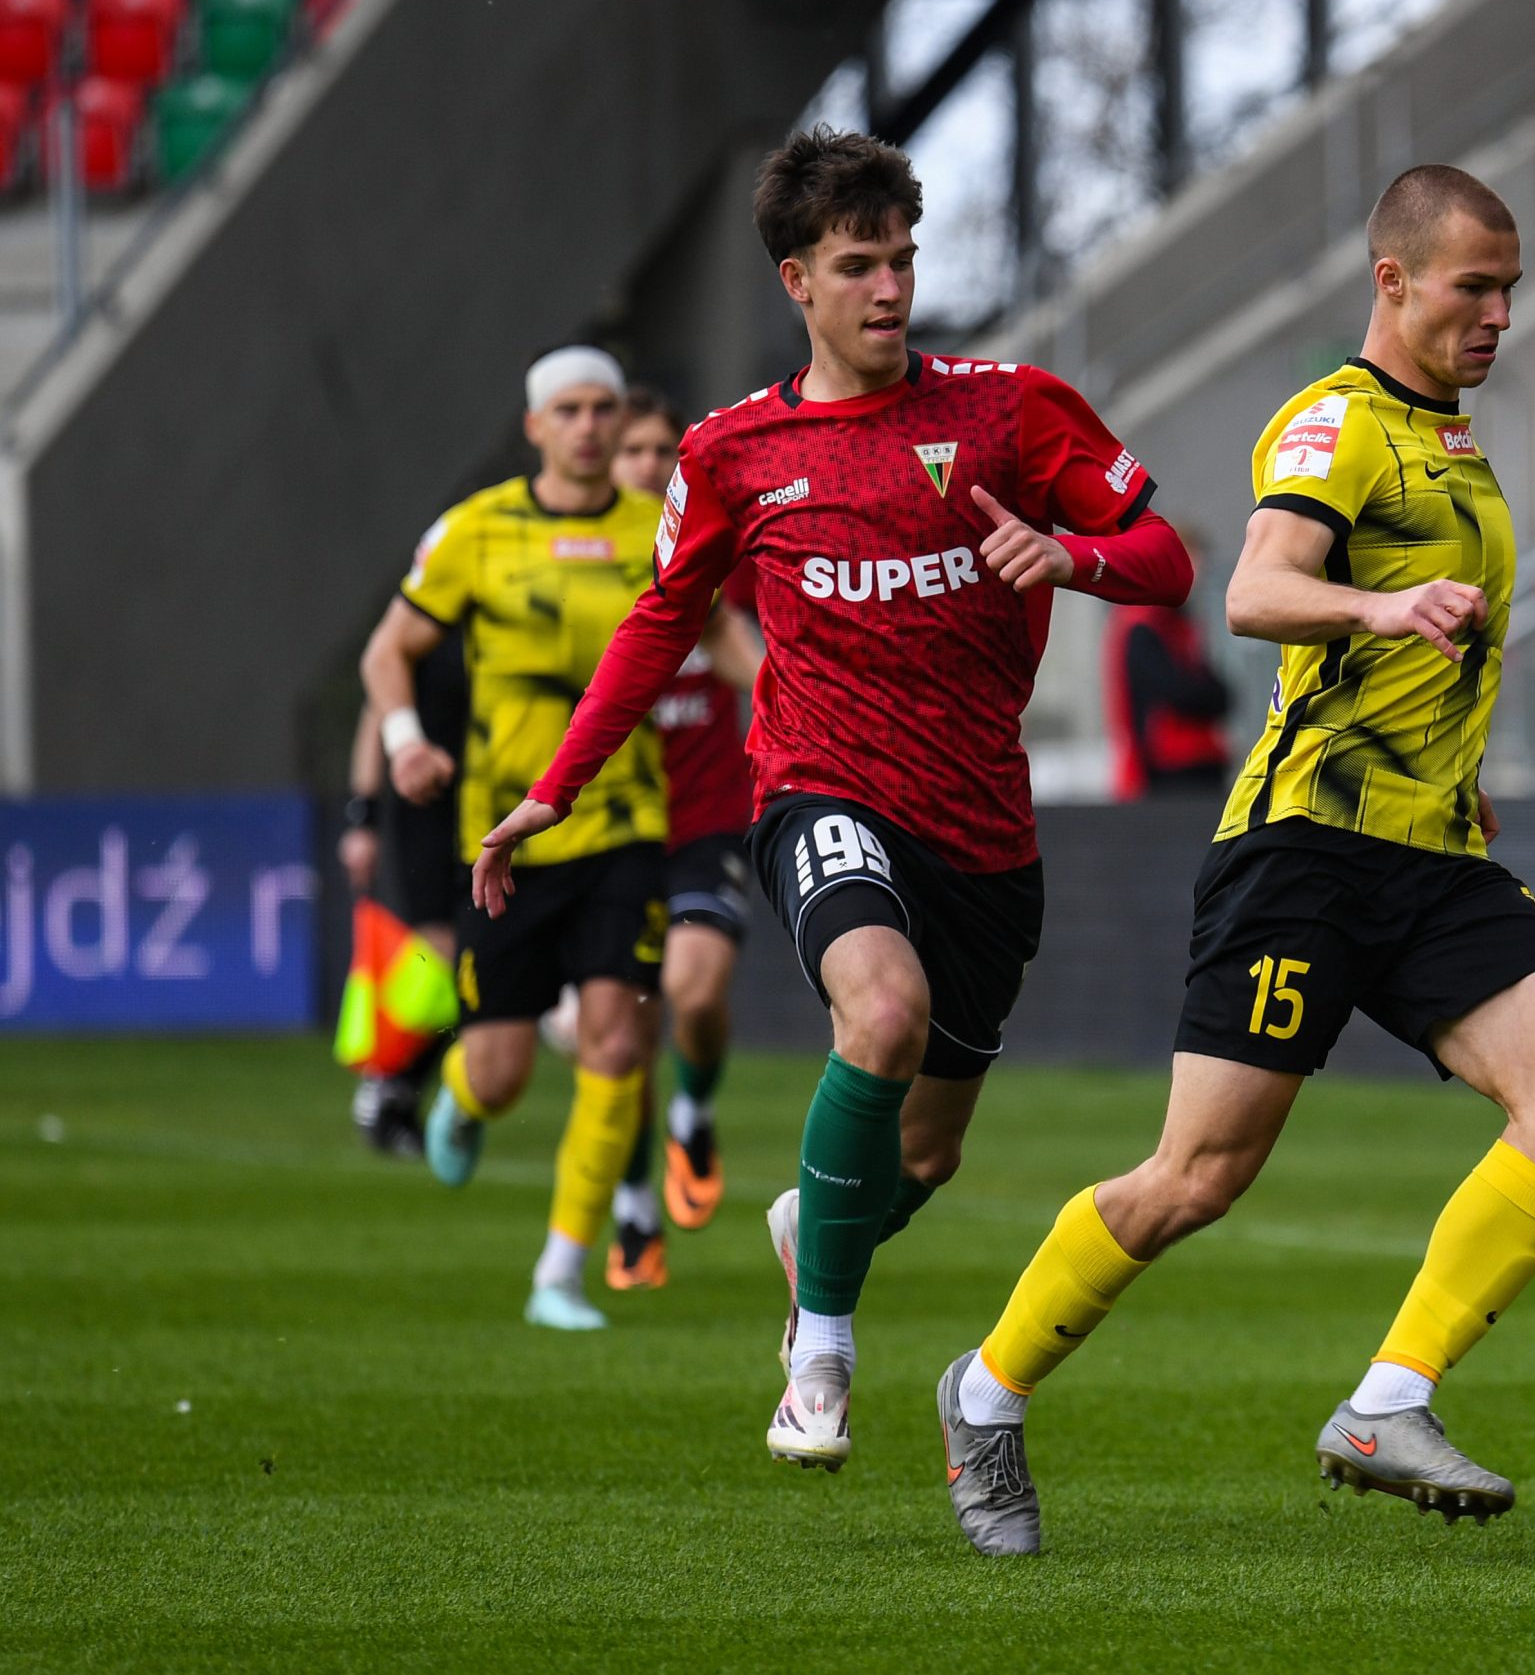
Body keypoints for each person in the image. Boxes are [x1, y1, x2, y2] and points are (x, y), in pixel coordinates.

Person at [470, 129, 1193, 1469]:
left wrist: (1073, 558)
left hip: (983, 825)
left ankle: (819, 1220)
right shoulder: (733, 451)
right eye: (859, 264)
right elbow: (659, 622)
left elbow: (1166, 555)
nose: (891, 286)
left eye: (903, 258)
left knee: (926, 1156)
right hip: (820, 787)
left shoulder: (1011, 409)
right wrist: (553, 792)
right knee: (883, 1011)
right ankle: (821, 1357)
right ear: (795, 279)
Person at [936, 166, 1535, 1557]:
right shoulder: (1337, 422)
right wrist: (1379, 606)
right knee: (1194, 1178)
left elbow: (1433, 657)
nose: (1499, 312)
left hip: (1434, 854)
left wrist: (1458, 771)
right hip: (1303, 850)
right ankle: (987, 1392)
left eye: (1509, 288)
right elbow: (1254, 589)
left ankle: (1388, 1402)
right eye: (1472, 287)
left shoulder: (1456, 444)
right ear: (1393, 282)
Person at [358, 346, 670, 1331]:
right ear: (535, 426)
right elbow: (388, 650)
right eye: (568, 410)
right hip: (505, 834)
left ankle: (560, 1273)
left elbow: (725, 637)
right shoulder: (478, 529)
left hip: (625, 819)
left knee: (617, 1040)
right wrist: (404, 743)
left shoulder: (659, 529)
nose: (590, 426)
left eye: (604, 408)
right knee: (500, 1071)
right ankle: (459, 1097)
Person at [599, 387, 766, 1290]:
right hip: (609, 829)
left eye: (661, 449)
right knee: (620, 1033)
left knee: (693, 994)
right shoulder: (583, 569)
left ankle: (693, 1112)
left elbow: (758, 658)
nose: (645, 465)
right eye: (631, 450)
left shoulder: (722, 555)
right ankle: (633, 1206)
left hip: (707, 819)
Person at [337, 628, 464, 1159]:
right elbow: (378, 711)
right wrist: (362, 814)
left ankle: (406, 1087)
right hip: (425, 806)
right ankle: (391, 1082)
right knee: (440, 954)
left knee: (480, 959)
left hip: (492, 803)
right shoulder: (427, 614)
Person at [1103, 523, 1232, 799]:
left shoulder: (1176, 622)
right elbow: (1174, 691)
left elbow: (1215, 691)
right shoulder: (1144, 623)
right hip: (1169, 769)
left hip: (1195, 761)